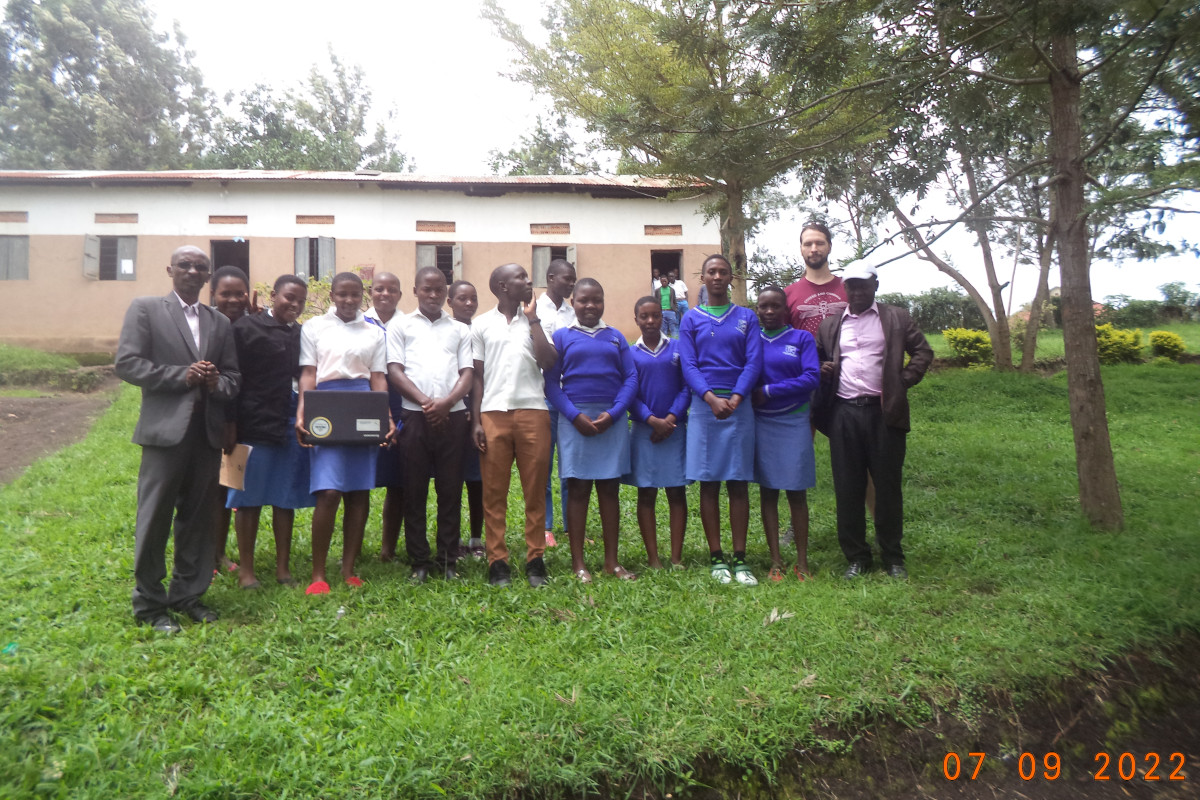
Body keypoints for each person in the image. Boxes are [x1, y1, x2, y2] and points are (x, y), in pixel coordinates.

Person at [114, 245, 240, 633]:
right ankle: (150, 605)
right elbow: (127, 363)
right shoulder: (146, 309)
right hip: (164, 432)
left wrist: (217, 382)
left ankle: (188, 595)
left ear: (207, 276)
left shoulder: (218, 322)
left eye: (199, 267)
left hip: (205, 435)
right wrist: (181, 376)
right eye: (184, 265)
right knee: (154, 519)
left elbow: (234, 379)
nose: (191, 271)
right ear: (170, 269)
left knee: (198, 520)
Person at [813, 265, 933, 580]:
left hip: (884, 414)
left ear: (875, 285)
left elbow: (922, 352)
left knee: (888, 487)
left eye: (863, 286)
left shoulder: (895, 318)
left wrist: (901, 381)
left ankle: (893, 557)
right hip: (844, 414)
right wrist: (823, 369)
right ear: (845, 289)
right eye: (851, 287)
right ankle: (857, 557)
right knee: (848, 488)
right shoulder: (830, 325)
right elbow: (815, 359)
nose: (857, 292)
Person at [295, 272, 393, 595]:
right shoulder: (314, 328)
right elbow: (308, 374)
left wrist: (386, 416)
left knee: (358, 491)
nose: (348, 300)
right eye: (342, 294)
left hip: (363, 405)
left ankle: (349, 568)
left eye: (354, 295)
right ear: (332, 296)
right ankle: (318, 572)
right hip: (326, 407)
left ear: (363, 296)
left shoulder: (374, 332)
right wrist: (302, 413)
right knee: (329, 491)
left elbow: (378, 378)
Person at [544, 278, 638, 582]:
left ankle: (612, 562)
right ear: (574, 302)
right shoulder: (562, 337)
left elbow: (631, 378)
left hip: (611, 420)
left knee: (609, 489)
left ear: (603, 302)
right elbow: (550, 383)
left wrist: (613, 413)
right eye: (584, 300)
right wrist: (573, 415)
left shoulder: (616, 337)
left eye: (596, 300)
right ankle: (579, 565)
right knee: (579, 489)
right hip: (575, 421)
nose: (590, 306)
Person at [677, 254, 762, 585]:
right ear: (703, 277)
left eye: (722, 272)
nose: (716, 276)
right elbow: (689, 364)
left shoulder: (746, 318)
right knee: (709, 483)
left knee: (738, 483)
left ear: (731, 278)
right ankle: (717, 558)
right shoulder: (691, 319)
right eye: (711, 271)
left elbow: (753, 362)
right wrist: (711, 398)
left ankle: (740, 558)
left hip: (739, 408)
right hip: (704, 406)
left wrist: (737, 397)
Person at [471, 263, 557, 587]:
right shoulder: (480, 326)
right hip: (493, 414)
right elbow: (477, 377)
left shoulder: (539, 320)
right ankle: (498, 562)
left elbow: (548, 362)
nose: (527, 280)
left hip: (533, 411)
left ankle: (535, 559)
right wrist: (475, 421)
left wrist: (532, 319)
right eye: (520, 277)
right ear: (502, 286)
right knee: (494, 493)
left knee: (534, 490)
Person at [387, 267, 473, 583]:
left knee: (450, 490)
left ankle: (449, 560)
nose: (433, 295)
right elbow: (395, 371)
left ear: (446, 294)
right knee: (414, 490)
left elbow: (467, 374)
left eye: (439, 290)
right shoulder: (401, 326)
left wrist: (446, 403)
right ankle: (419, 561)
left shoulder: (460, 330)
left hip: (453, 418)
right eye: (427, 289)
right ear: (415, 291)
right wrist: (427, 403)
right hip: (415, 417)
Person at [226, 274, 313, 589]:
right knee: (247, 499)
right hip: (251, 425)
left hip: (289, 425)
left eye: (301, 301)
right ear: (273, 295)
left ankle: (283, 569)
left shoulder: (302, 334)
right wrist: (230, 426)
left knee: (283, 497)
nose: (294, 304)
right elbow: (232, 380)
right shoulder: (245, 330)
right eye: (289, 297)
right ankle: (247, 571)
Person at [751, 285, 820, 582]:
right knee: (768, 492)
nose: (769, 311)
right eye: (763, 306)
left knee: (796, 492)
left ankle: (802, 562)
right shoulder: (751, 340)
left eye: (775, 306)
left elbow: (811, 377)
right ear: (757, 310)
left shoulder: (801, 338)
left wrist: (769, 390)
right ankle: (775, 561)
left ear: (786, 309)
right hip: (762, 423)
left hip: (794, 422)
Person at [624, 296, 690, 569]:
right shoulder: (629, 353)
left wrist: (670, 418)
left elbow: (687, 387)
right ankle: (653, 559)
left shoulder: (677, 348)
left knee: (677, 494)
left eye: (655, 316)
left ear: (663, 318)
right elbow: (628, 392)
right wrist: (651, 420)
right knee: (646, 494)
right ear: (636, 319)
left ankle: (675, 558)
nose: (650, 321)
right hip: (644, 432)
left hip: (675, 430)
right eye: (644, 317)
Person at [209, 265, 251, 575]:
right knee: (211, 489)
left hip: (244, 420)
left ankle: (219, 553)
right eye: (226, 294)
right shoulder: (206, 326)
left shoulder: (251, 326)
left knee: (230, 487)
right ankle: (207, 554)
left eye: (239, 294)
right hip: (214, 418)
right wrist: (226, 421)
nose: (233, 299)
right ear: (214, 295)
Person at [364, 271, 406, 562]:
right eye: (379, 289)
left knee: (398, 482)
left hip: (403, 411)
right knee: (359, 483)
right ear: (371, 292)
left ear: (400, 295)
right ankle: (352, 548)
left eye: (391, 289)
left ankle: (388, 549)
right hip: (364, 408)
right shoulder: (357, 322)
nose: (385, 294)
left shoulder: (409, 324)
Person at [534, 258, 576, 546]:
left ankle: (572, 526)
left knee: (569, 465)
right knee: (544, 464)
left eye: (573, 279)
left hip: (569, 397)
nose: (571, 284)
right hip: (542, 396)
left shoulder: (573, 311)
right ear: (550, 278)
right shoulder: (535, 309)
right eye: (566, 279)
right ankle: (546, 527)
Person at [448, 280, 485, 559]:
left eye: (473, 298)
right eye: (462, 298)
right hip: (452, 413)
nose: (469, 303)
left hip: (480, 414)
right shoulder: (446, 331)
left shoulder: (482, 330)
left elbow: (483, 375)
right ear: (450, 302)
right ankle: (453, 538)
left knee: (477, 480)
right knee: (452, 479)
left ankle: (476, 538)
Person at [785, 221, 847, 336]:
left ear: (830, 247)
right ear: (801, 249)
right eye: (808, 244)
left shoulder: (849, 288)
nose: (814, 249)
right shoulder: (788, 294)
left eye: (820, 243)